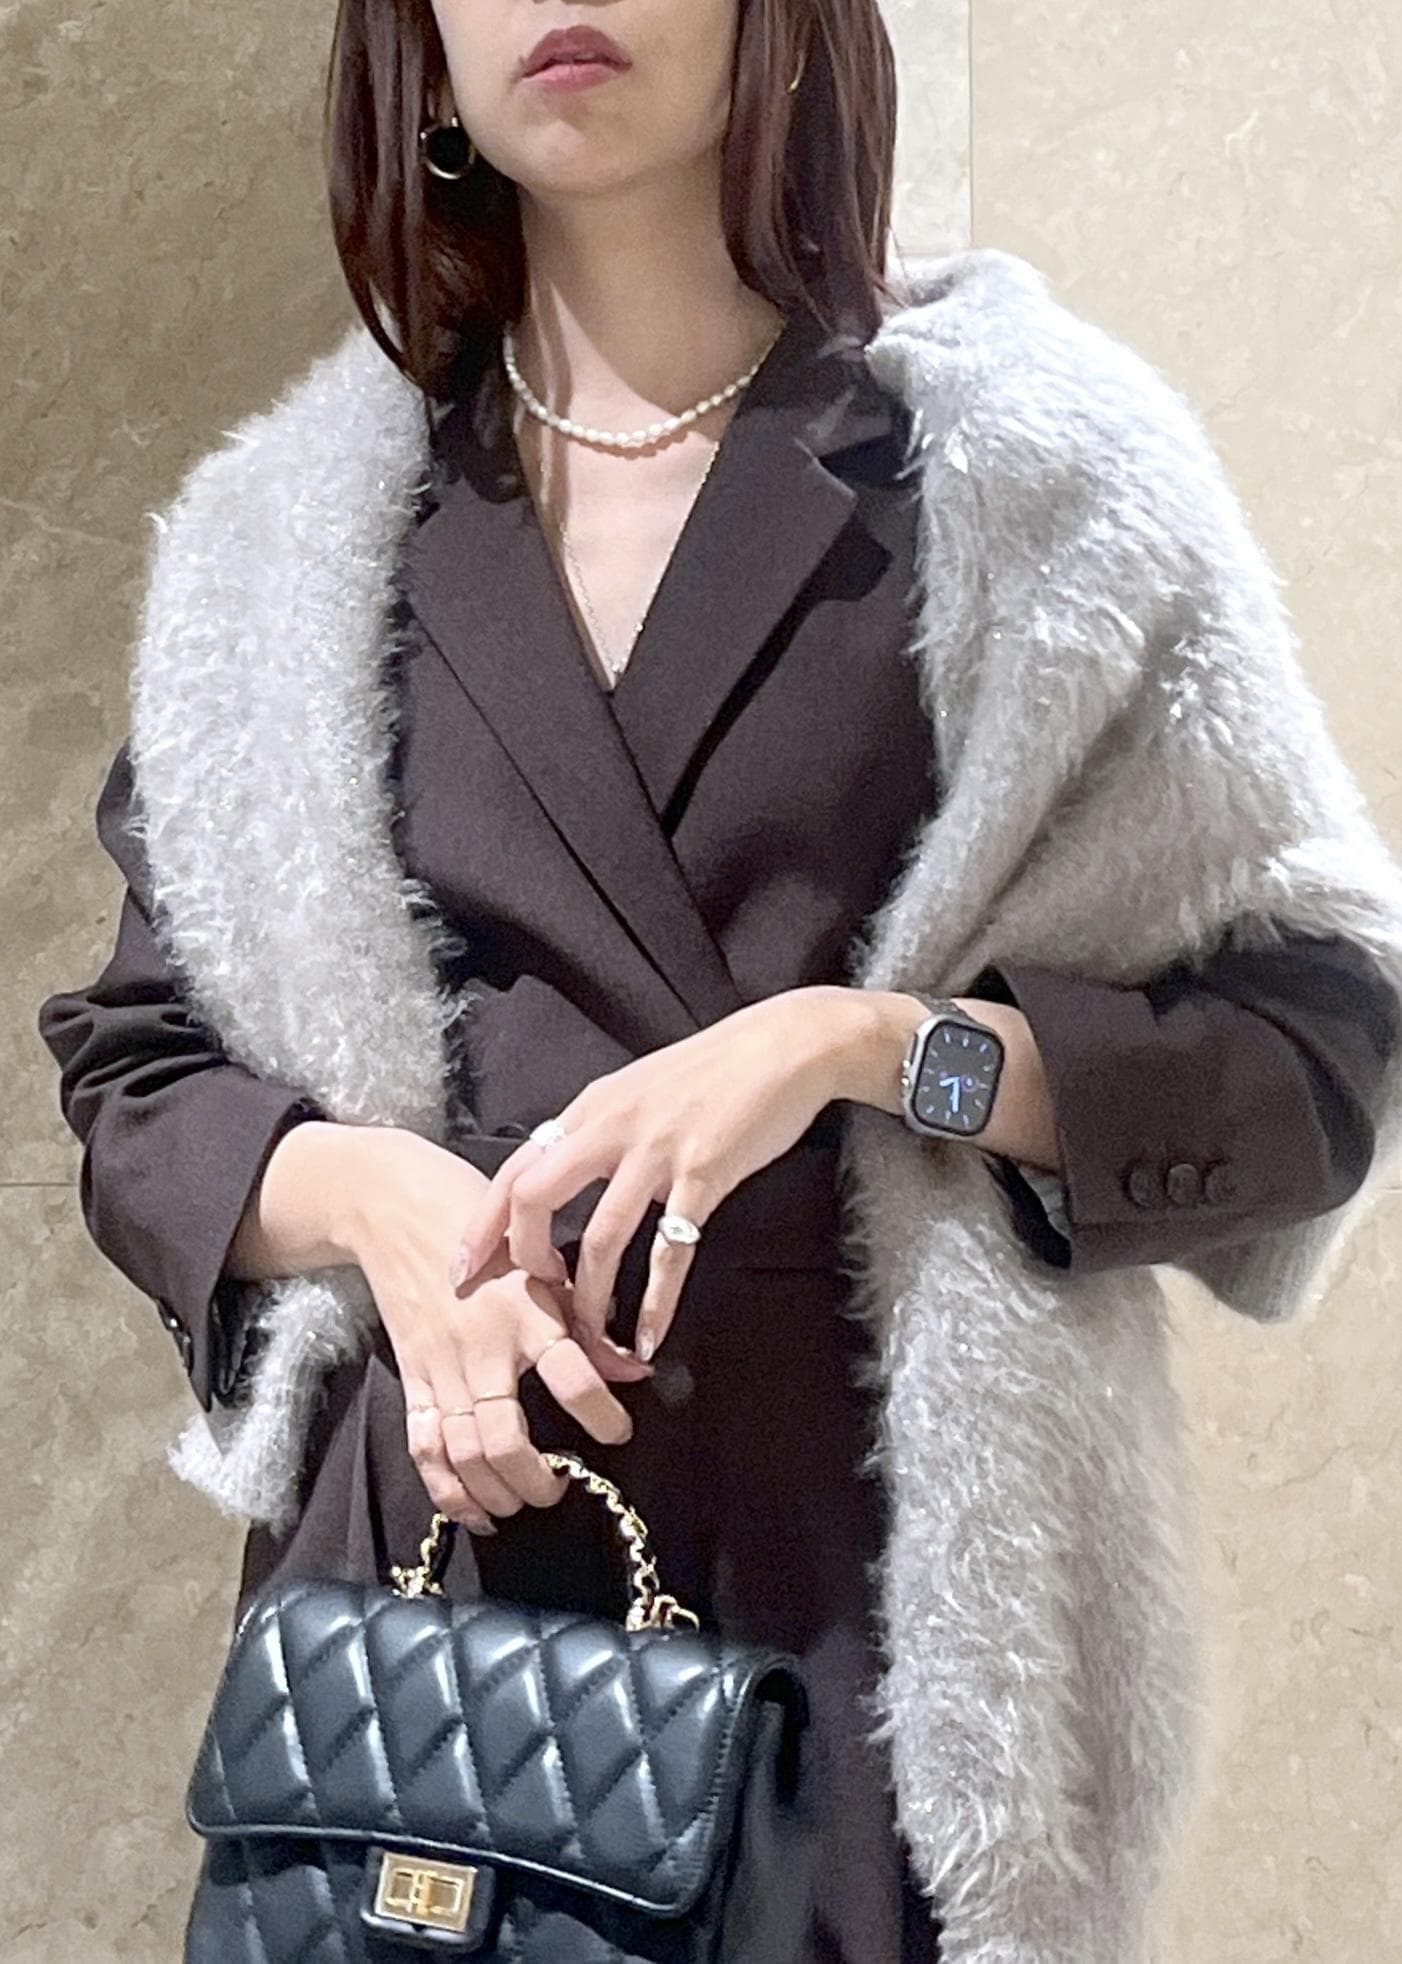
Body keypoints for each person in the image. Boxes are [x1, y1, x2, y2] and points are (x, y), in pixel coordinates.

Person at [35, 4, 1402, 1959]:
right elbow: (139, 1066)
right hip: (417, 1610)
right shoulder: (292, 540)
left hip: (861, 1611)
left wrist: (864, 1049)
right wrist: (386, 1215)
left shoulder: (1018, 477)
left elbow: (1309, 1055)